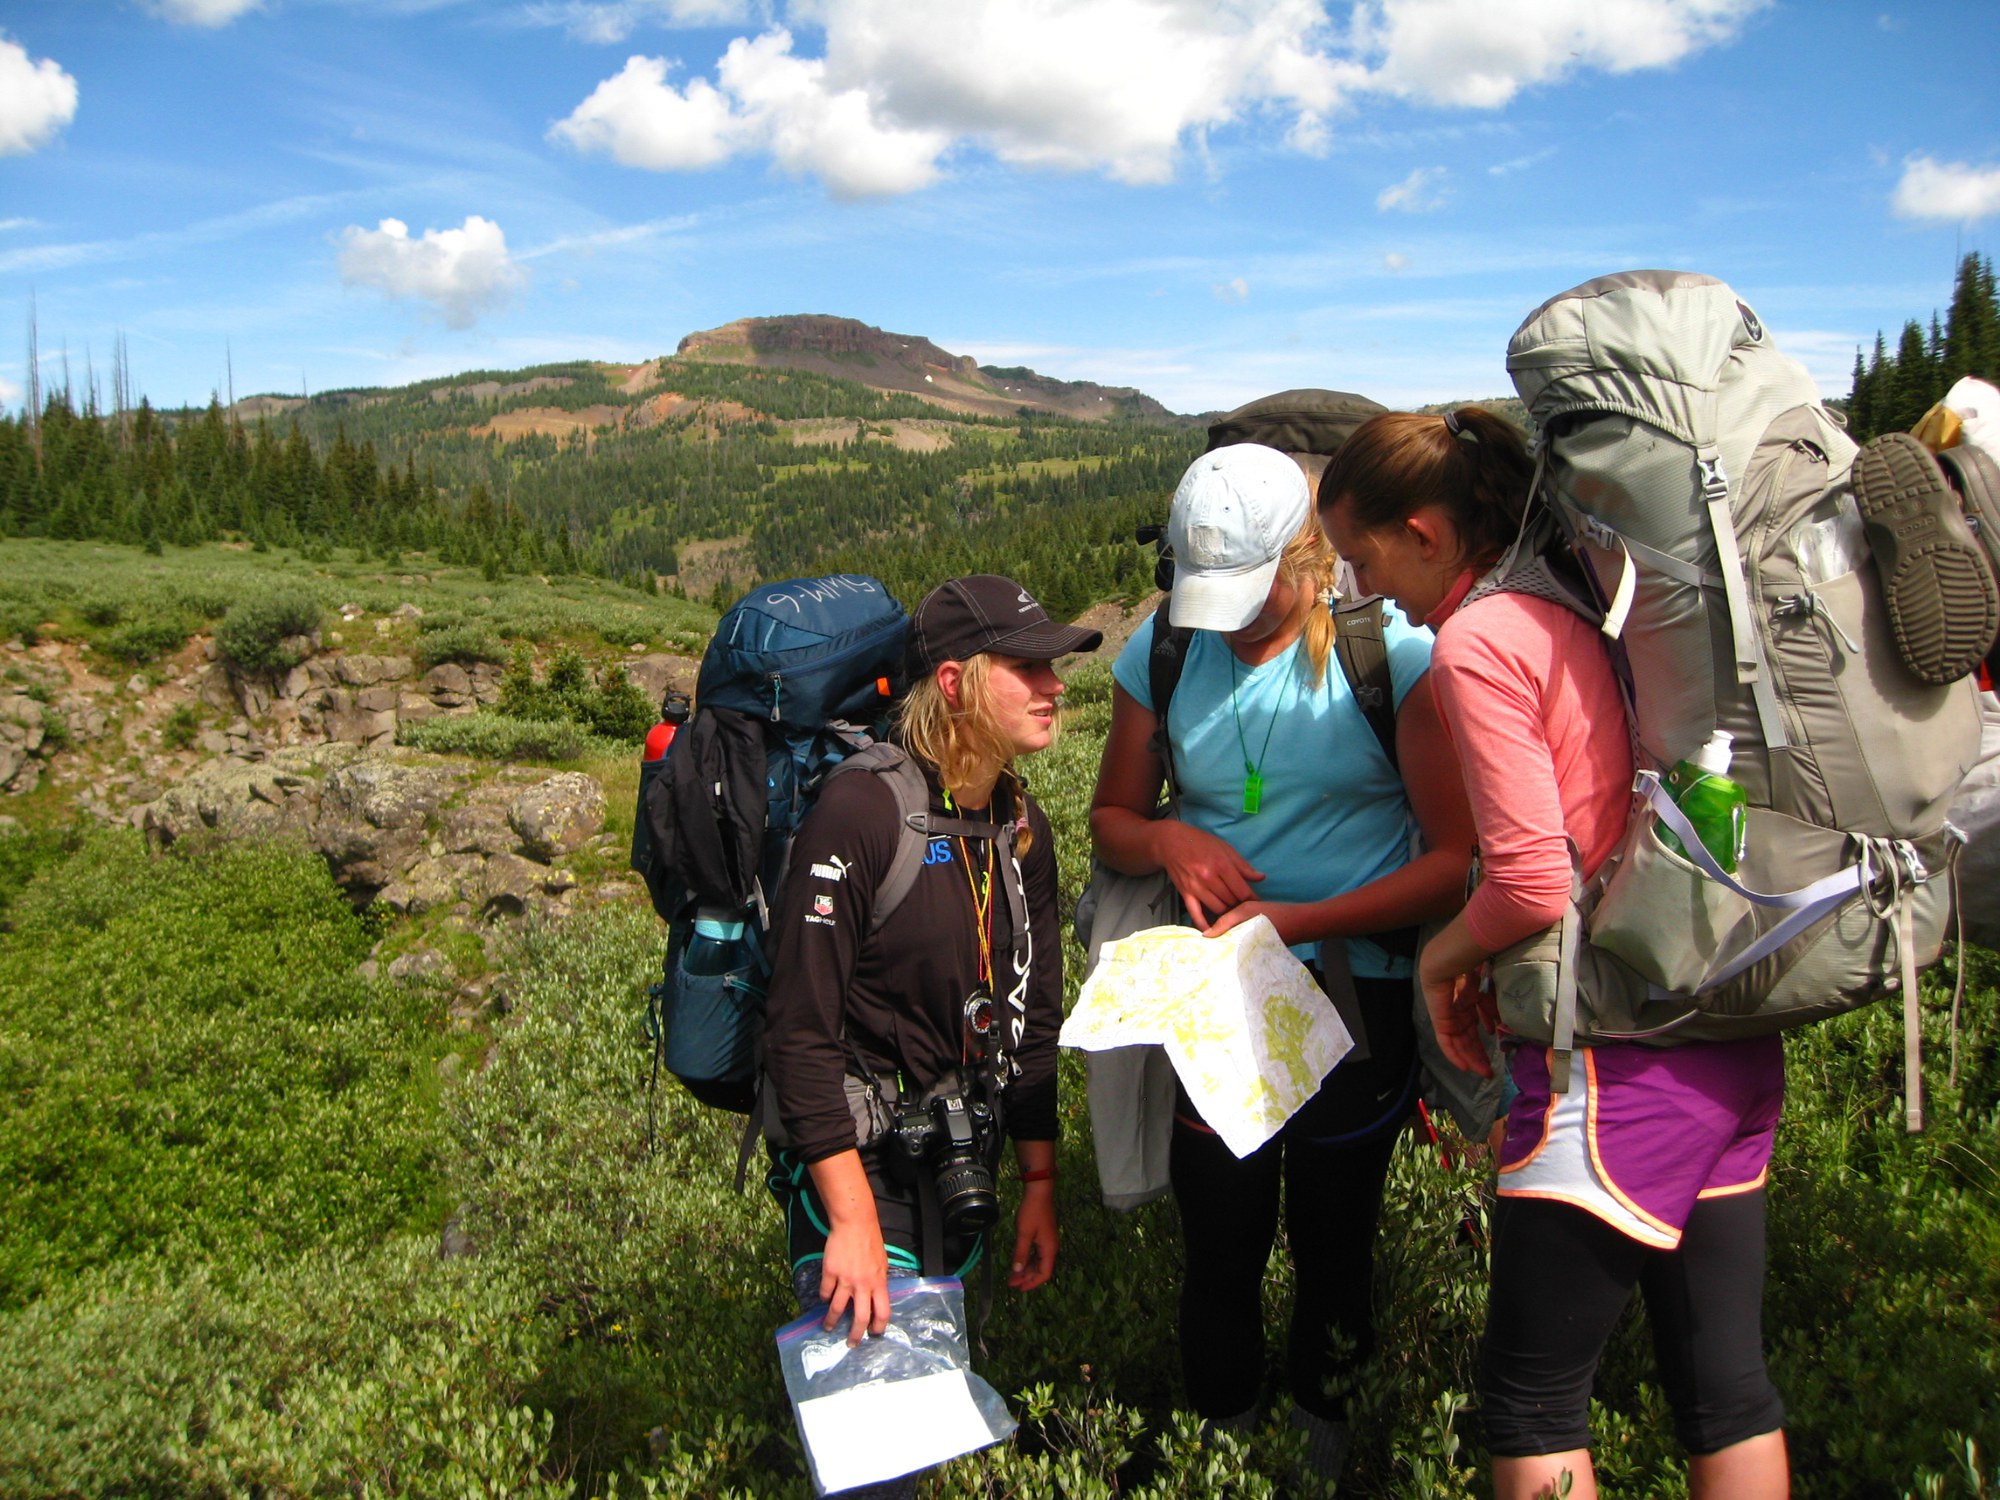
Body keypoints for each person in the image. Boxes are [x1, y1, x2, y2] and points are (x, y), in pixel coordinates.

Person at [1318, 407, 1789, 1500]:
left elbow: (1531, 879)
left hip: (1609, 1057)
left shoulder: (1478, 641)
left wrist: (1440, 958)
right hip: (1717, 1027)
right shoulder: (1577, 597)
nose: (1360, 585)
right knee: (1724, 1387)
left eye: (1363, 555)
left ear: (1426, 533)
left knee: (1531, 1404)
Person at [1089, 442, 1474, 1481]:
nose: (1228, 620)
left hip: (1358, 998)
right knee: (1217, 1242)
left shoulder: (1388, 655)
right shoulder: (1161, 651)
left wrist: (1298, 923)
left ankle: (1321, 1443)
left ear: (1310, 556)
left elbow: (1453, 862)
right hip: (1219, 1001)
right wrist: (1168, 839)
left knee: (1333, 1243)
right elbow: (1111, 819)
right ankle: (1218, 1442)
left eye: (1252, 595)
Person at [762, 575, 1099, 1497]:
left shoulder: (1018, 823)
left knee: (930, 1432)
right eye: (1025, 666)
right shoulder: (864, 811)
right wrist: (853, 1218)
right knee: (883, 1468)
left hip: (962, 1164)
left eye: (1054, 666)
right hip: (861, 1169)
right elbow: (798, 1030)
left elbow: (1033, 1024)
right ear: (953, 684)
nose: (1054, 685)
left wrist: (1038, 1180)